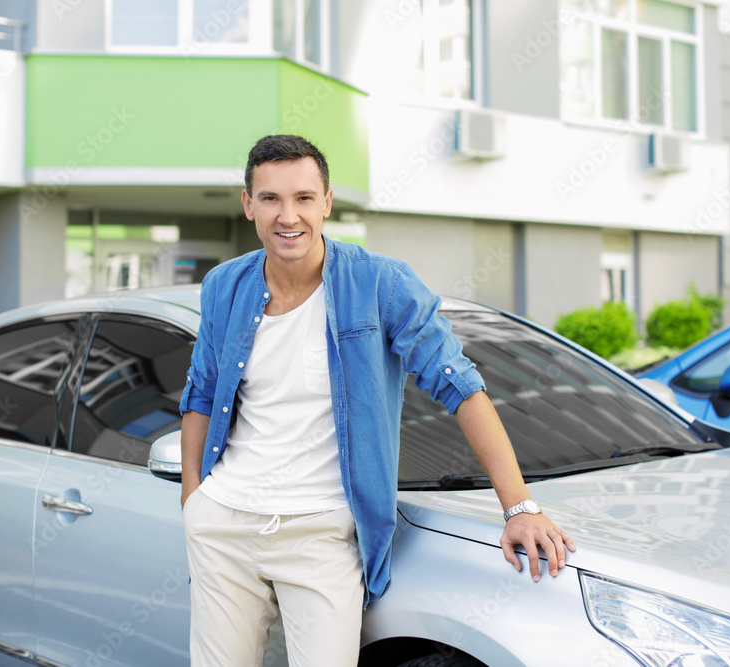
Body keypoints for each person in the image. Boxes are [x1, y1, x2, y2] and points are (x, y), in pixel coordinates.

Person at [178, 134, 575, 666]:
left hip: (320, 532)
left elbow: (460, 386)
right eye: (270, 198)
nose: (287, 215)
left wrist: (519, 506)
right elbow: (201, 392)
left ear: (327, 202)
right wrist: (193, 499)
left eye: (303, 197)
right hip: (224, 524)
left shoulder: (379, 283)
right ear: (248, 204)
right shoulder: (225, 285)